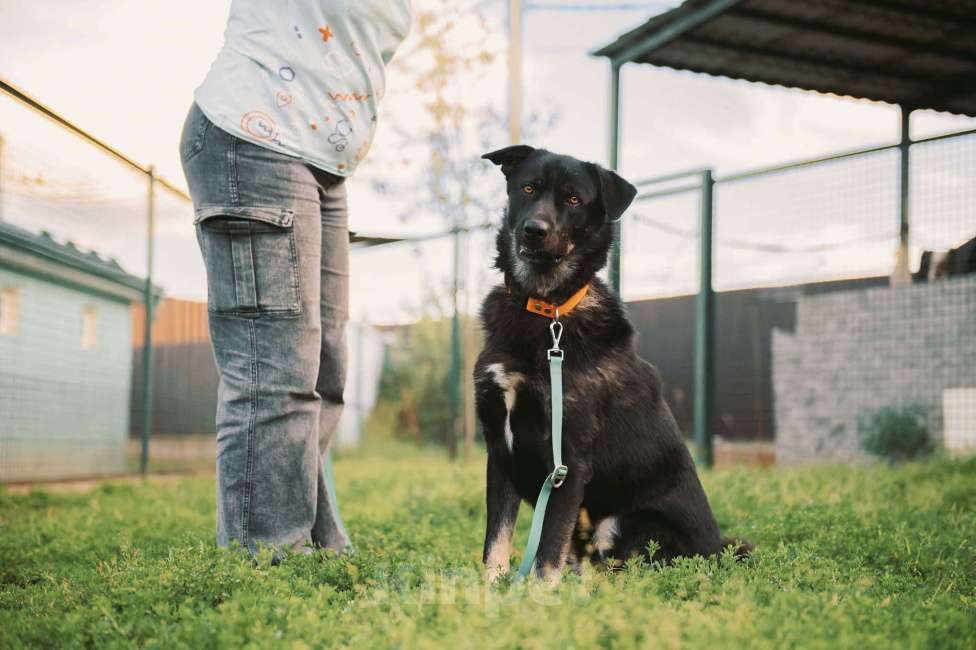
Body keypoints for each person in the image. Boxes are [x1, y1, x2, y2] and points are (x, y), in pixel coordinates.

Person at [180, 0, 412, 556]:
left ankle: (311, 531)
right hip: (256, 139)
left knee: (326, 367)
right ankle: (268, 553)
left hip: (323, 165)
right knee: (275, 365)